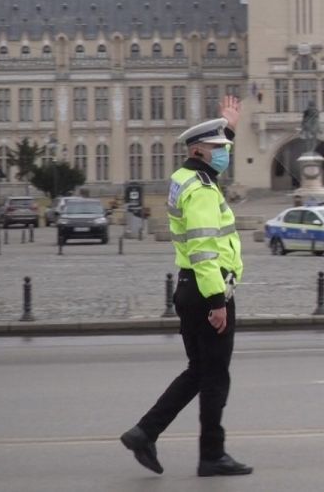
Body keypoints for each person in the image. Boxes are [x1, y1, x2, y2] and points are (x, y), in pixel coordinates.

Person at [120, 96, 253, 477]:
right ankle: (211, 455)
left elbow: (207, 170)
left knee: (199, 370)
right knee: (215, 377)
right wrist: (217, 301)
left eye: (225, 147)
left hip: (188, 289)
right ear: (199, 150)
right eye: (219, 149)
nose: (225, 154)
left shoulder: (187, 179)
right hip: (206, 290)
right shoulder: (201, 191)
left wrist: (228, 127)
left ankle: (144, 432)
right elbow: (203, 249)